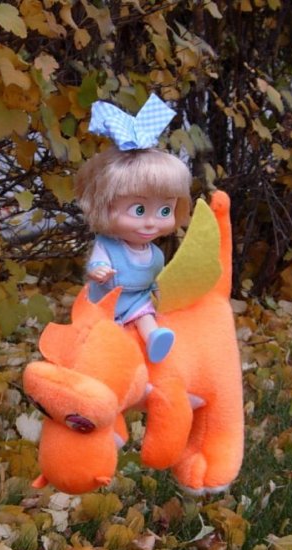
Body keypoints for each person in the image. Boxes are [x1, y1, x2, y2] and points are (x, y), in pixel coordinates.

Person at [74, 94, 192, 363]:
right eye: (138, 210)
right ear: (104, 205)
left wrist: (163, 293)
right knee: (106, 335)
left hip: (138, 302)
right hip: (107, 303)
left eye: (165, 211)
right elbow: (96, 264)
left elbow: (155, 282)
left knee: (146, 316)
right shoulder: (108, 245)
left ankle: (154, 340)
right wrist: (99, 271)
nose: (151, 222)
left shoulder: (156, 255)